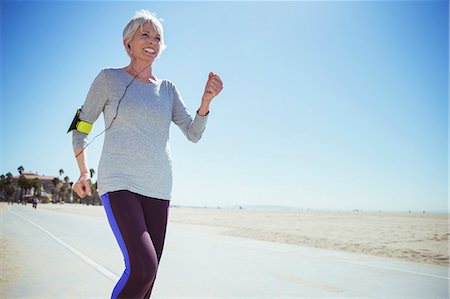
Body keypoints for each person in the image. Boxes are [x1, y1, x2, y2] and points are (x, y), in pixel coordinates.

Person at [71, 9, 223, 299]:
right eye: (145, 34)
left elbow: (193, 133)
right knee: (142, 268)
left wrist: (205, 103)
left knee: (148, 282)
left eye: (158, 37)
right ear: (128, 43)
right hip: (120, 183)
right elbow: (81, 126)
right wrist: (82, 170)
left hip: (159, 188)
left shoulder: (168, 90)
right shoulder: (107, 79)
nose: (153, 40)